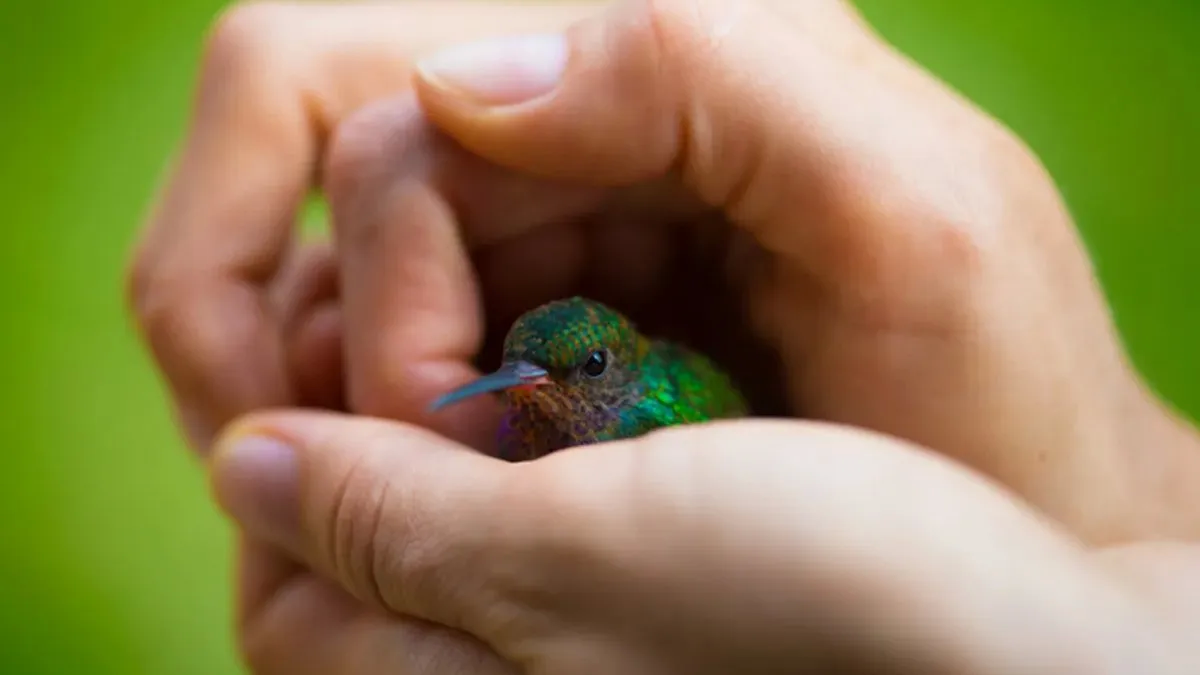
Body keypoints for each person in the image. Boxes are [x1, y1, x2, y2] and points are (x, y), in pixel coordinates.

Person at [126, 0, 1200, 672]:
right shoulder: (525, 415)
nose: (523, 383)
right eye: (517, 364)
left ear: (618, 370)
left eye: (570, 369)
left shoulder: (655, 411)